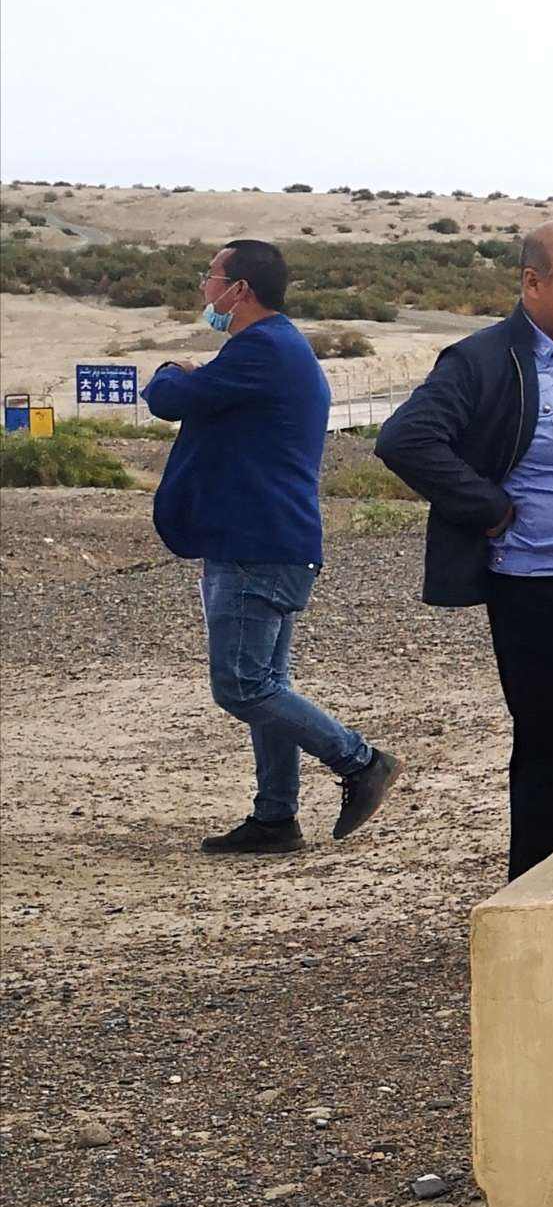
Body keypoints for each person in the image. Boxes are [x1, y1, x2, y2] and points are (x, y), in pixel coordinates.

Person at [375, 220, 553, 878]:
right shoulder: (484, 361)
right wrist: (491, 509)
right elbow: (405, 440)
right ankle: (536, 904)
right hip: (546, 593)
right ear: (532, 284)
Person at [148, 239, 403, 853]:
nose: (205, 287)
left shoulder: (261, 351)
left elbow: (166, 401)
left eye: (211, 276)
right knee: (269, 681)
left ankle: (360, 762)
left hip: (254, 543)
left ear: (240, 289)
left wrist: (172, 371)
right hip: (273, 539)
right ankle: (275, 818)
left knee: (242, 687)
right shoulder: (279, 349)